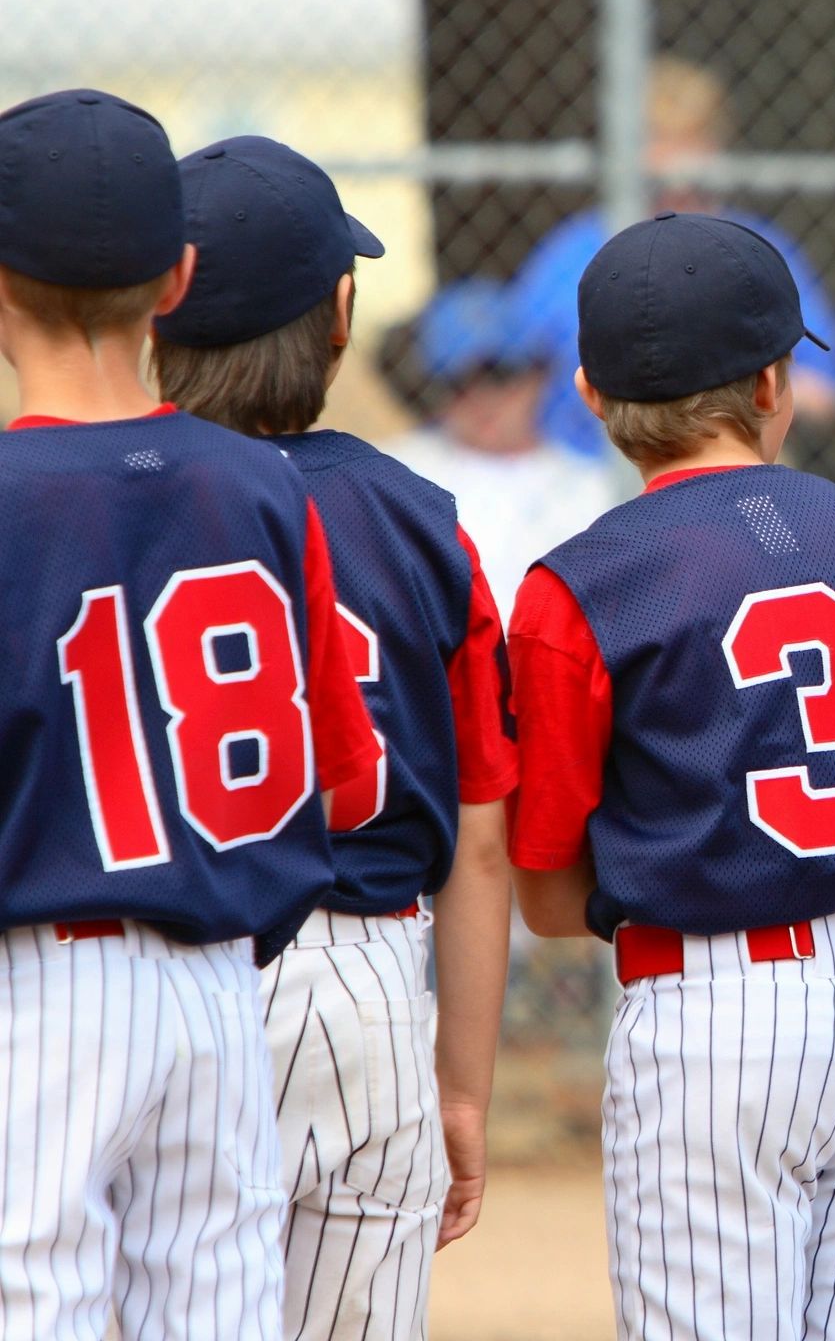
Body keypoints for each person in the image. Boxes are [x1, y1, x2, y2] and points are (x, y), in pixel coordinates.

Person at [506, 214, 835, 1337]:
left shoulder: (578, 586)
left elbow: (550, 893)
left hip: (709, 1017)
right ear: (775, 383)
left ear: (593, 398)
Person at [0, 90, 378, 1340]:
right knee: (217, 1302)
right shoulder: (265, 487)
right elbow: (347, 778)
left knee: (36, 1294)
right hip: (219, 986)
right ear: (179, 276)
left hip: (43, 987)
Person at [151, 136, 521, 1340]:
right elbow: (477, 833)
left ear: (158, 310)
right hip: (362, 979)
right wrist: (460, 1082)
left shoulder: (112, 494)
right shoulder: (420, 521)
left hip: (162, 963)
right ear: (342, 317)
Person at [508, 56, 835, 458]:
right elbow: (510, 380)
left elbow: (826, 391)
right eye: (657, 137)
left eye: (692, 139)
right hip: (587, 474)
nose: (677, 167)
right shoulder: (574, 252)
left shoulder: (755, 248)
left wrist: (719, 382)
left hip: (724, 464)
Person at [385, 278, 621, 615]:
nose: (481, 399)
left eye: (498, 376)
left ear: (538, 375)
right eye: (459, 383)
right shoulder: (394, 471)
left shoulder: (593, 488)